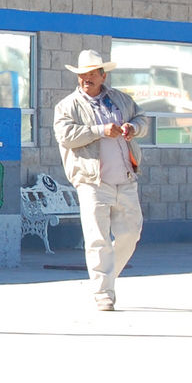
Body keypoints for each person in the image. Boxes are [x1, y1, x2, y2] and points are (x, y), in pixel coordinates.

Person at [53, 49, 149, 311]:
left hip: (125, 179)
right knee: (98, 239)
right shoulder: (67, 106)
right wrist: (100, 130)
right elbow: (66, 136)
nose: (86, 78)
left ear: (103, 76)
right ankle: (103, 292)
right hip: (92, 182)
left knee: (131, 233)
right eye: (82, 74)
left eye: (92, 74)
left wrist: (133, 128)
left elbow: (142, 119)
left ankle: (105, 278)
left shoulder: (120, 100)